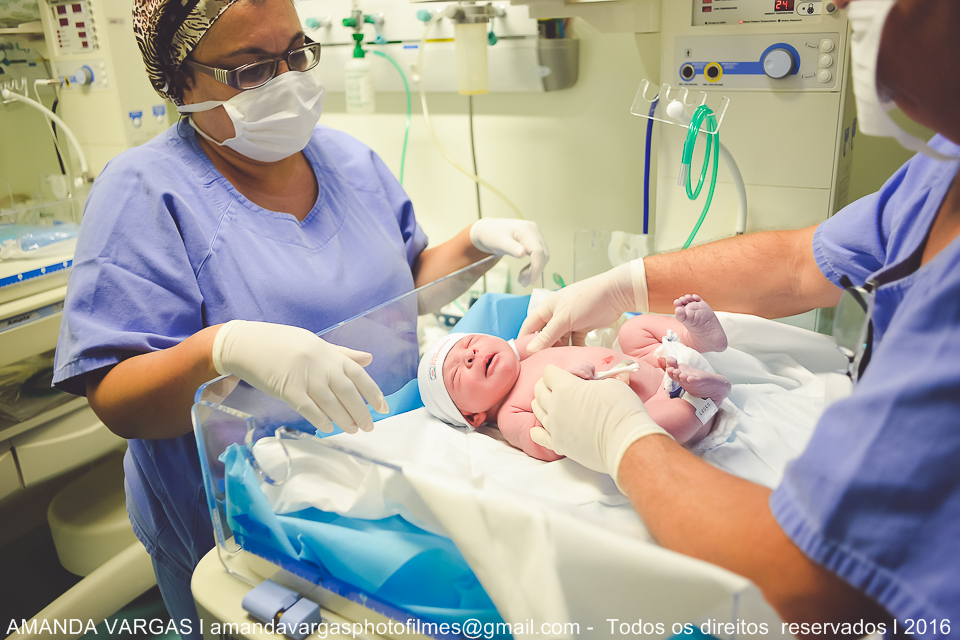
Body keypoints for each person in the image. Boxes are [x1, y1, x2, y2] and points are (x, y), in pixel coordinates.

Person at [51, 0, 549, 635]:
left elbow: (402, 288)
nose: (286, 81)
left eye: (296, 53)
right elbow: (118, 399)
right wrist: (223, 349)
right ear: (181, 82)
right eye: (251, 69)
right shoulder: (144, 192)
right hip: (248, 530)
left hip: (384, 490)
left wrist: (474, 243)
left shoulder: (347, 160)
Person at [520, 0, 960, 632]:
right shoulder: (941, 170)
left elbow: (812, 589)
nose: (837, 5)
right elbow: (796, 265)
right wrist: (623, 285)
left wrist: (623, 441)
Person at [418, 295, 731, 460]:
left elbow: (553, 330)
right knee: (649, 430)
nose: (470, 356)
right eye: (458, 372)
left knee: (632, 330)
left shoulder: (522, 353)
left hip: (657, 362)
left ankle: (693, 340)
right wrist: (569, 391)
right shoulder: (510, 417)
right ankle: (707, 399)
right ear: (472, 416)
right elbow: (548, 444)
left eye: (471, 343)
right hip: (649, 405)